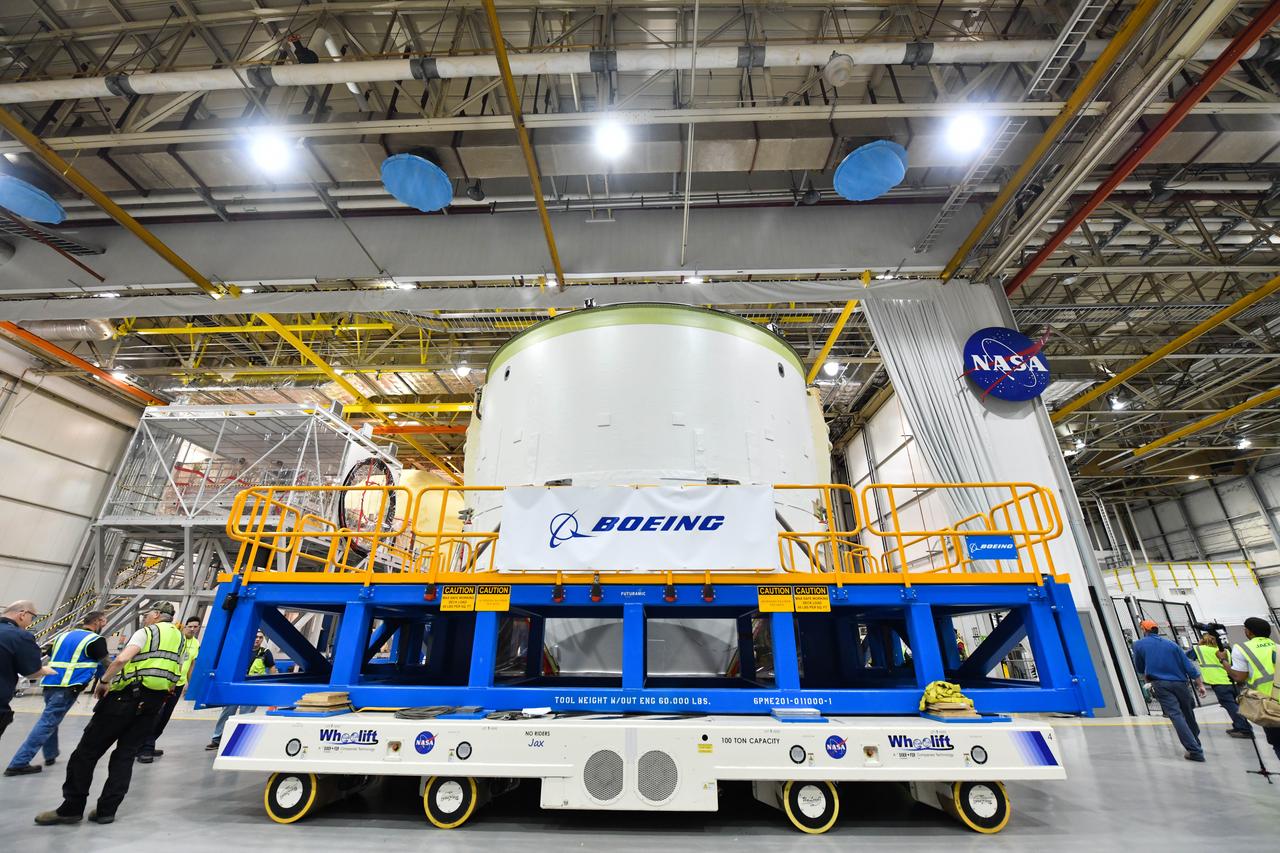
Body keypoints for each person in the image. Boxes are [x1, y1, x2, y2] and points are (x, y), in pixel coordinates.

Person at [34, 602, 184, 826]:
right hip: (153, 704)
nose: (144, 618)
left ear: (155, 615)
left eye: (147, 615)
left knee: (86, 753)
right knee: (125, 756)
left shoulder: (147, 632)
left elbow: (122, 659)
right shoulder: (180, 639)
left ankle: (71, 808)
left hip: (125, 699)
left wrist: (104, 681)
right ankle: (107, 811)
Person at [6, 611, 109, 776]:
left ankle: (50, 754)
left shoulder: (62, 636)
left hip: (50, 684)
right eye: (104, 622)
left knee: (50, 720)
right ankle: (19, 763)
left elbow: (50, 655)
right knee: (47, 723)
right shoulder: (95, 640)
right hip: (68, 687)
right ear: (98, 621)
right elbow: (105, 664)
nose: (104, 625)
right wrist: (106, 682)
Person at [1131, 619, 1208, 762]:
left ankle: (1194, 751)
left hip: (1160, 684)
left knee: (1176, 715)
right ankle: (1195, 741)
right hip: (1181, 683)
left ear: (1144, 630)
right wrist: (1200, 684)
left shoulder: (1138, 645)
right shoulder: (1172, 645)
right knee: (1188, 713)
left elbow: (1140, 668)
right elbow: (1188, 666)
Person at [138, 615, 202, 763]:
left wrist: (190, 684)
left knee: (164, 718)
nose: (192, 629)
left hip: (178, 685)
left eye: (195, 627)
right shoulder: (177, 638)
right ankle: (146, 748)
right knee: (155, 715)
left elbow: (191, 665)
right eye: (190, 626)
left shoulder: (196, 643)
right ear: (184, 626)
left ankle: (148, 743)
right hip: (165, 683)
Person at [205, 630, 276, 751]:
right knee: (227, 711)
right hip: (236, 686)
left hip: (252, 689)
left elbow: (272, 668)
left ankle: (240, 741)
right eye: (255, 636)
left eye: (260, 637)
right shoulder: (241, 650)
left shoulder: (265, 653)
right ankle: (217, 739)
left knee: (246, 715)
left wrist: (271, 685)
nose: (258, 639)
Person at [1, 601, 55, 742]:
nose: (31, 622)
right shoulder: (20, 636)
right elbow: (31, 672)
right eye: (32, 617)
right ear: (23, 614)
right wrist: (45, 670)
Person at [1227, 616, 1279, 762]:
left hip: (1268, 704)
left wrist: (1224, 661)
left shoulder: (1241, 649)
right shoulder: (1277, 646)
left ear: (1249, 632)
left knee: (1278, 742)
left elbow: (1239, 677)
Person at [1187, 631, 1253, 740]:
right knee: (1237, 705)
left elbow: (1187, 656)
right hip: (1231, 681)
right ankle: (1239, 726)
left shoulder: (1199, 649)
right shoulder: (1225, 650)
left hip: (1219, 683)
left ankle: (1244, 729)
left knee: (1231, 707)